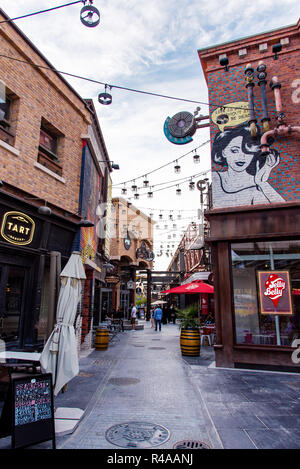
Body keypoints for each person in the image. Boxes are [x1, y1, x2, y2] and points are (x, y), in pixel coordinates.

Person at [211, 124, 285, 207]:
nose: (241, 157)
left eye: (247, 152)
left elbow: (285, 211)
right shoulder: (215, 177)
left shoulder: (256, 186)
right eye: (234, 151)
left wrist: (262, 183)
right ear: (223, 152)